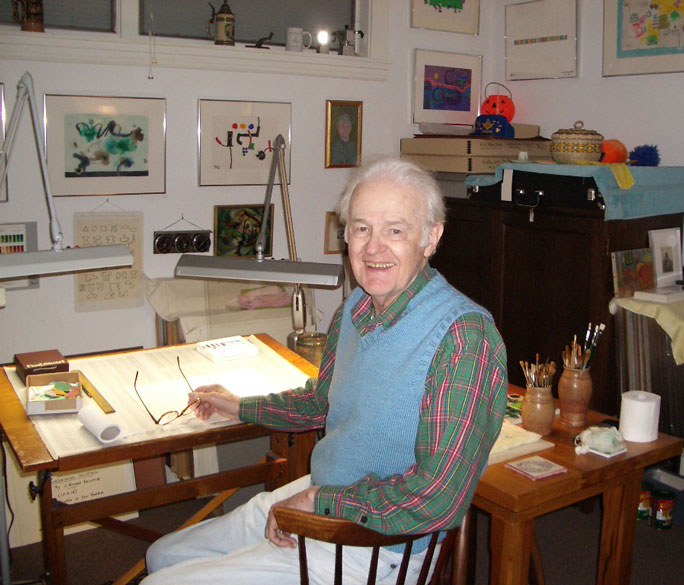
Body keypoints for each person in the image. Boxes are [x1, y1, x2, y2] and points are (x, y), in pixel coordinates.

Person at [142, 157, 508, 585]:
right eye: (361, 228)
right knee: (162, 554)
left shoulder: (464, 337)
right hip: (325, 495)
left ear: (430, 238)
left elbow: (438, 497)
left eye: (395, 230)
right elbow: (320, 401)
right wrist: (239, 406)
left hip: (374, 544)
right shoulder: (354, 309)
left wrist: (319, 502)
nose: (374, 248)